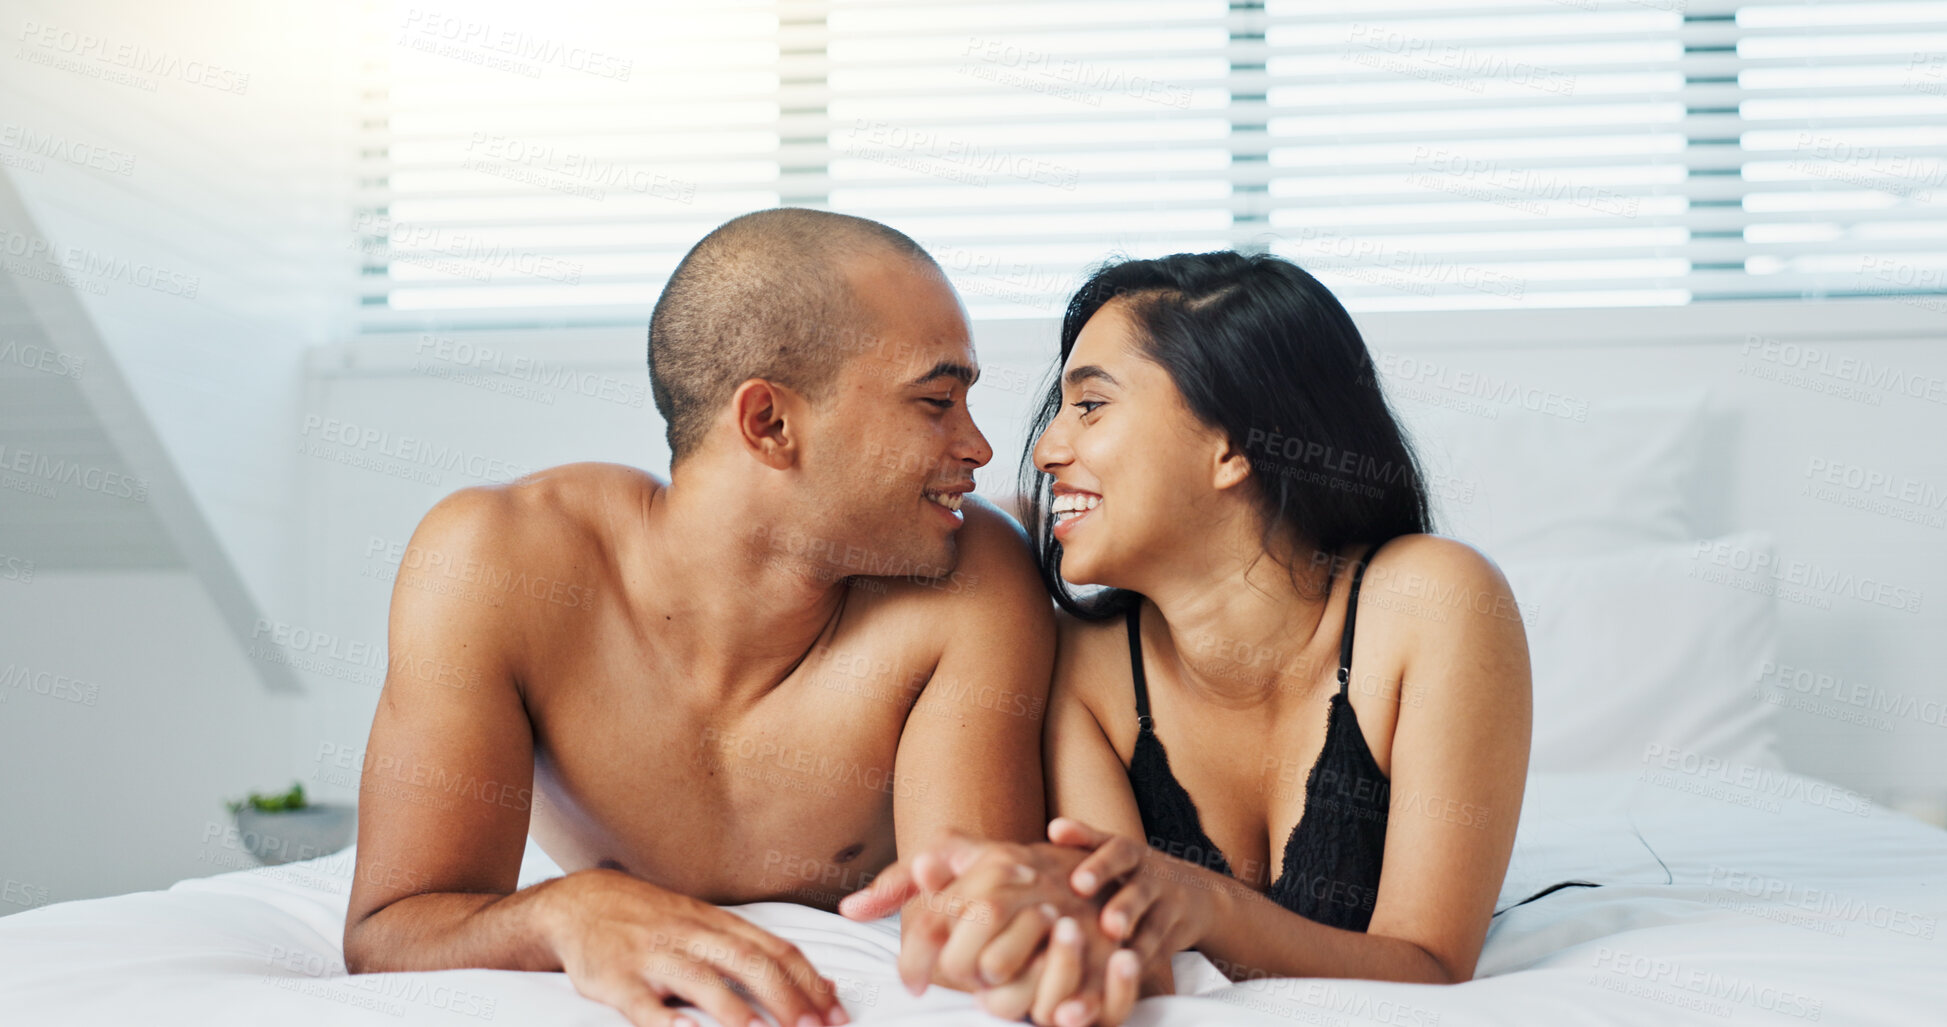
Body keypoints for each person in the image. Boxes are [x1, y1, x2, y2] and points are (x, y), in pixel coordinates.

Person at [340, 208, 1113, 1027]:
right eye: (935, 402)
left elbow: (962, 916)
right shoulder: (496, 563)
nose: (983, 447)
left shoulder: (973, 572)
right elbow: (391, 926)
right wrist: (564, 910)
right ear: (769, 424)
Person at [842, 251, 1533, 1027]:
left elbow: (1432, 964)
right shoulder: (1084, 666)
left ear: (1232, 445)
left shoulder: (1431, 600)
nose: (1044, 448)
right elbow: (1129, 943)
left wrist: (1197, 899)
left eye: (1092, 405)